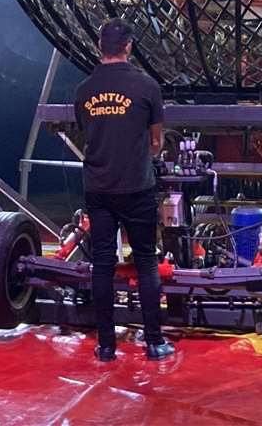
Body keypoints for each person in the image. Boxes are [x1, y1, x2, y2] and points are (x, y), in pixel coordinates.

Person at [74, 19, 174, 362]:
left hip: (98, 187)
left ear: (100, 46)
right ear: (129, 46)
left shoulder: (84, 89)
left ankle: (106, 346)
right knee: (146, 261)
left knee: (102, 264)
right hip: (136, 187)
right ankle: (154, 342)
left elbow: (86, 132)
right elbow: (156, 141)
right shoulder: (147, 86)